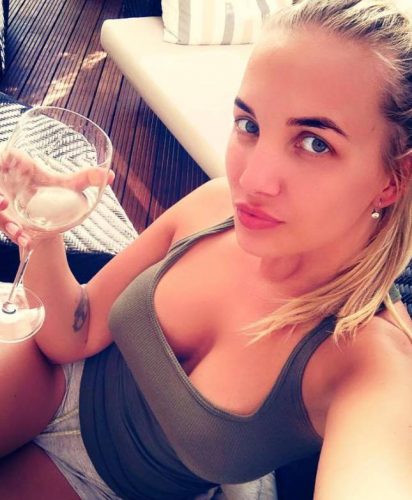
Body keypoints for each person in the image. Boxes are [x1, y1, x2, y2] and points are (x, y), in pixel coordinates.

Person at [0, 0, 411, 498]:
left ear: (394, 178)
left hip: (100, 484)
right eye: (250, 125)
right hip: (55, 375)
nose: (251, 181)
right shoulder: (214, 207)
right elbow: (75, 332)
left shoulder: (369, 363)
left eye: (315, 143)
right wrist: (43, 227)